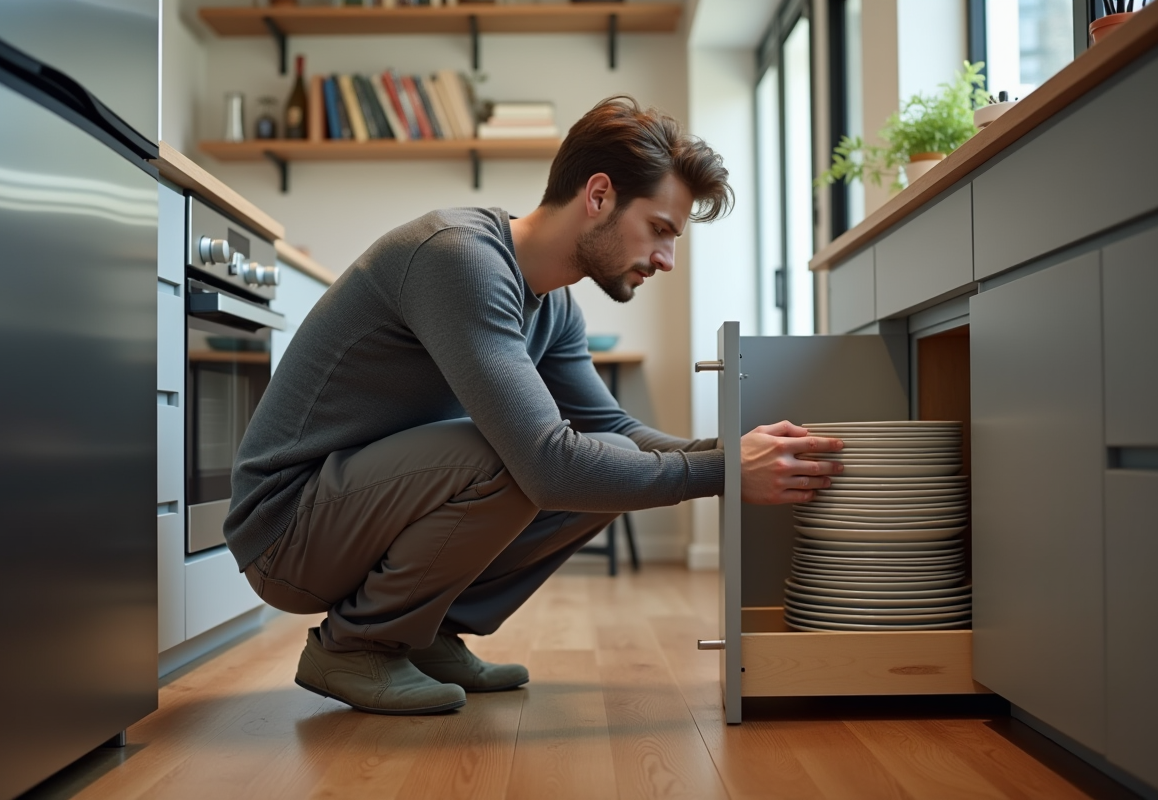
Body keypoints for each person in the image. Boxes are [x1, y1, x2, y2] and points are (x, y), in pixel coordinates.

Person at [225, 96, 844, 716]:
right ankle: (356, 646)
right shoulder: (459, 257)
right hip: (286, 532)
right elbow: (547, 463)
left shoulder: (554, 306)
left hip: (352, 516)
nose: (666, 259)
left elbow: (616, 430)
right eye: (659, 229)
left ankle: (422, 632)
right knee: (516, 455)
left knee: (611, 456)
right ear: (598, 195)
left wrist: (734, 453)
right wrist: (727, 471)